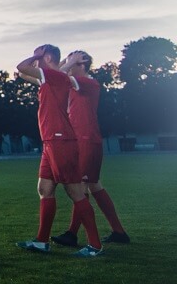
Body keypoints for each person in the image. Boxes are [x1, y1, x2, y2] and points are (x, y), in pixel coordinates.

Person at [14, 45, 104, 257]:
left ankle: (95, 245)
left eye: (39, 56)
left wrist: (40, 58)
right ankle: (41, 241)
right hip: (50, 142)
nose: (35, 61)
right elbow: (22, 73)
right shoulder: (51, 77)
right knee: (45, 189)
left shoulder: (53, 76)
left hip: (60, 140)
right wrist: (64, 63)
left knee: (75, 192)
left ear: (46, 57)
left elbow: (21, 66)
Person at [50, 50, 130, 247]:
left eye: (71, 60)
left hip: (87, 140)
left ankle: (72, 234)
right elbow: (55, 76)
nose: (66, 63)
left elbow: (59, 74)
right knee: (94, 186)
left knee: (82, 187)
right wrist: (67, 62)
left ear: (82, 62)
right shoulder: (75, 84)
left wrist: (69, 63)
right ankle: (119, 232)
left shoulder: (88, 83)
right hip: (81, 140)